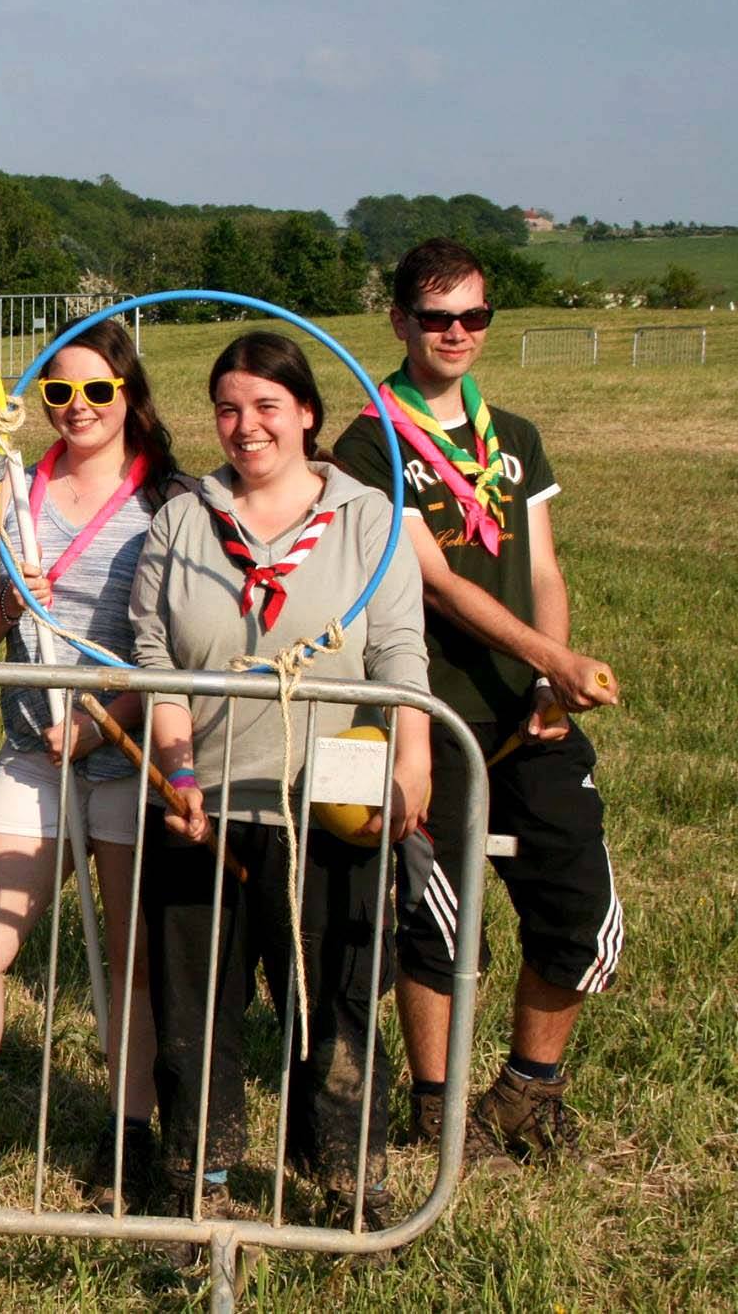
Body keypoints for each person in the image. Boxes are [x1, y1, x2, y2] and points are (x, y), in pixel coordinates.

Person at [331, 238, 622, 1168]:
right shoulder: (369, 442)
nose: (457, 332)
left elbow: (544, 568)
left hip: (529, 708)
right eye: (437, 316)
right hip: (429, 709)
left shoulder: (515, 437)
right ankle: (437, 1104)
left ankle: (526, 1092)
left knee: (580, 904)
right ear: (400, 322)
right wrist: (554, 658)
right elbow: (434, 582)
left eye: (474, 316)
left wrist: (549, 681)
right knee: (439, 920)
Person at [131, 331, 430, 1231]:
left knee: (335, 1000)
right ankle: (200, 1186)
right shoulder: (182, 519)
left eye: (267, 405)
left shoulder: (367, 516)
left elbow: (398, 648)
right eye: (227, 408)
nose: (245, 425)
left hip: (330, 807)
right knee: (195, 1013)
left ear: (306, 412)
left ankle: (347, 1183)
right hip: (205, 805)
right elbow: (156, 659)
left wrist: (413, 758)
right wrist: (177, 770)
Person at [0, 319, 181, 1211]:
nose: (77, 407)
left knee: (133, 962)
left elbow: (178, 647)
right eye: (59, 391)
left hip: (129, 761)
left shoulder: (169, 500)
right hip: (34, 756)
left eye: (97, 390)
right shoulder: (10, 491)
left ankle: (131, 1134)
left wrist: (108, 722)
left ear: (128, 395)